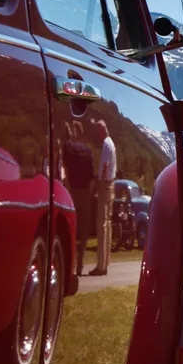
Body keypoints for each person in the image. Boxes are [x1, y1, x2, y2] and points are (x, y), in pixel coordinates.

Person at [62, 120, 95, 277]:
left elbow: (66, 162)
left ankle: (72, 266)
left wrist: (68, 134)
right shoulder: (88, 152)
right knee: (84, 231)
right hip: (86, 193)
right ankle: (80, 265)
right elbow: (91, 176)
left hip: (73, 192)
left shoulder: (70, 149)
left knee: (72, 230)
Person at [90, 118, 116, 276]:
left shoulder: (106, 144)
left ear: (101, 130)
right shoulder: (111, 143)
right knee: (108, 225)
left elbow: (105, 166)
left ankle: (101, 265)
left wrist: (98, 186)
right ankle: (106, 262)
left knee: (102, 225)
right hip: (111, 185)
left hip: (105, 184)